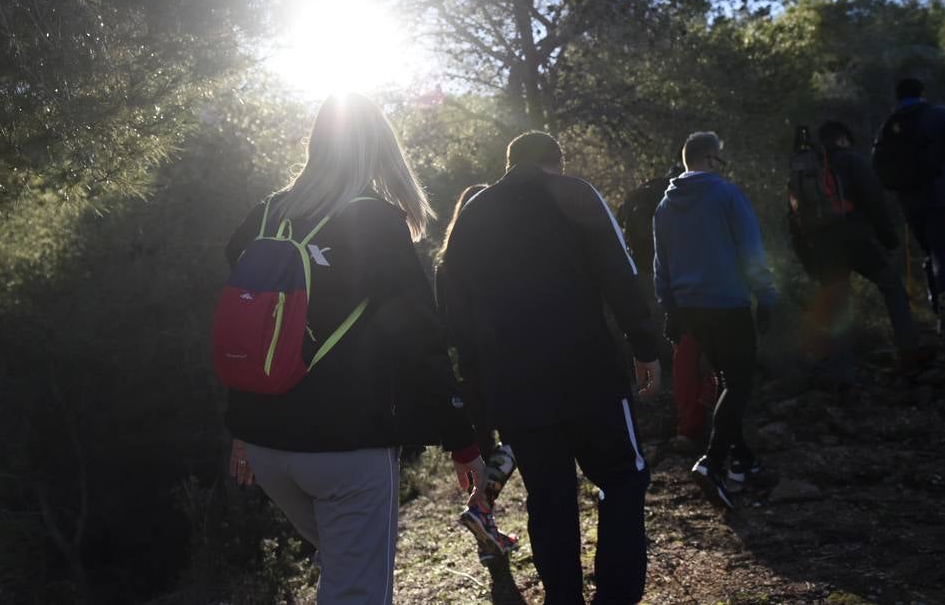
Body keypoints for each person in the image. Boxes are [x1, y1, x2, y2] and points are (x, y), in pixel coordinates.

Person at [223, 93, 489, 605]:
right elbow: (419, 343)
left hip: (267, 447)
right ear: (379, 150)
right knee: (356, 589)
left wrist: (240, 427)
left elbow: (247, 323)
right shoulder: (374, 220)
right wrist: (464, 441)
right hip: (346, 447)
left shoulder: (265, 216)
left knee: (343, 565)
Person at [438, 131, 662, 605]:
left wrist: (480, 397)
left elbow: (454, 313)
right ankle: (616, 597)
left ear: (510, 163)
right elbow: (618, 272)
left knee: (550, 498)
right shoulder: (572, 192)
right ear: (555, 163)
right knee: (623, 477)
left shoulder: (472, 216)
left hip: (515, 388)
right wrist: (644, 345)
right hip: (589, 373)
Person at [653, 131, 777, 510]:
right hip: (729, 303)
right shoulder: (727, 195)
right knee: (737, 382)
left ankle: (742, 461)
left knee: (725, 381)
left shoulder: (665, 206)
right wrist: (767, 294)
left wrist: (670, 309)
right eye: (719, 159)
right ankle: (712, 461)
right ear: (709, 159)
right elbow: (750, 249)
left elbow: (662, 264)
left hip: (692, 308)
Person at [788, 121, 929, 383]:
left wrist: (808, 261)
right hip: (856, 239)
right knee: (891, 285)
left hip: (823, 246)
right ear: (843, 139)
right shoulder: (853, 161)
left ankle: (842, 376)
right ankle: (909, 351)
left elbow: (794, 219)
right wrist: (889, 239)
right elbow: (874, 200)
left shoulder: (805, 170)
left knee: (838, 307)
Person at [434, 184, 520, 563]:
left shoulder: (445, 264)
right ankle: (482, 509)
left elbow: (444, 324)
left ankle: (487, 542)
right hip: (505, 360)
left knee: (483, 449)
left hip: (466, 367)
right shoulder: (499, 257)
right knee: (522, 435)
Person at [871, 78, 945, 331]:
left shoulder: (888, 125)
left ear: (897, 97)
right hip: (944, 196)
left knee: (931, 255)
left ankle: (939, 312)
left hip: (910, 201)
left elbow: (877, 165)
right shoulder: (938, 115)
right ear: (922, 93)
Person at [619, 169, 715, 453]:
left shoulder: (654, 199)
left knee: (684, 359)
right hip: (709, 291)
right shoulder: (703, 197)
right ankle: (714, 421)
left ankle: (688, 428)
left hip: (671, 290)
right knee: (716, 359)